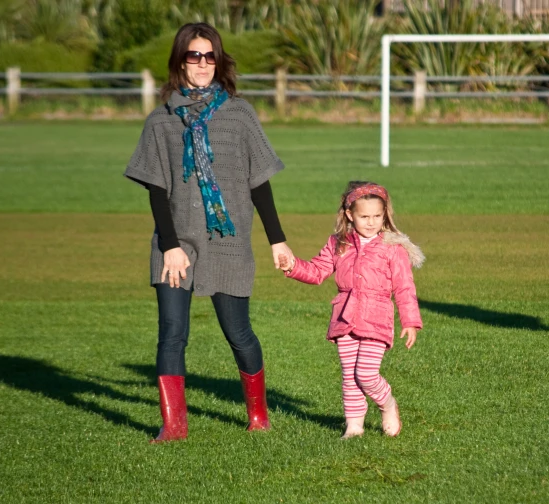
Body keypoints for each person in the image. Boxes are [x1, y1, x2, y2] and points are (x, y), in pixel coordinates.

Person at [124, 22, 293, 442]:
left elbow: (259, 183)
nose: (202, 64)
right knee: (172, 333)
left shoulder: (240, 114)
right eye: (193, 56)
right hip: (176, 243)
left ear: (220, 61)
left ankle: (258, 416)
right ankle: (174, 426)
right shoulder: (161, 121)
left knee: (239, 333)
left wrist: (278, 239)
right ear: (179, 60)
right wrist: (170, 247)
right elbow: (157, 190)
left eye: (210, 56)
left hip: (229, 241)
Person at [277, 181, 424, 438]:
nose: (371, 222)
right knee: (349, 375)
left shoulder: (393, 248)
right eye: (364, 216)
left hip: (376, 316)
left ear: (385, 214)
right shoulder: (339, 243)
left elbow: (404, 288)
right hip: (344, 316)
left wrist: (410, 321)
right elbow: (317, 271)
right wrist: (292, 266)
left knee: (366, 373)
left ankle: (387, 404)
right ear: (349, 215)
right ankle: (354, 427)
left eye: (377, 216)